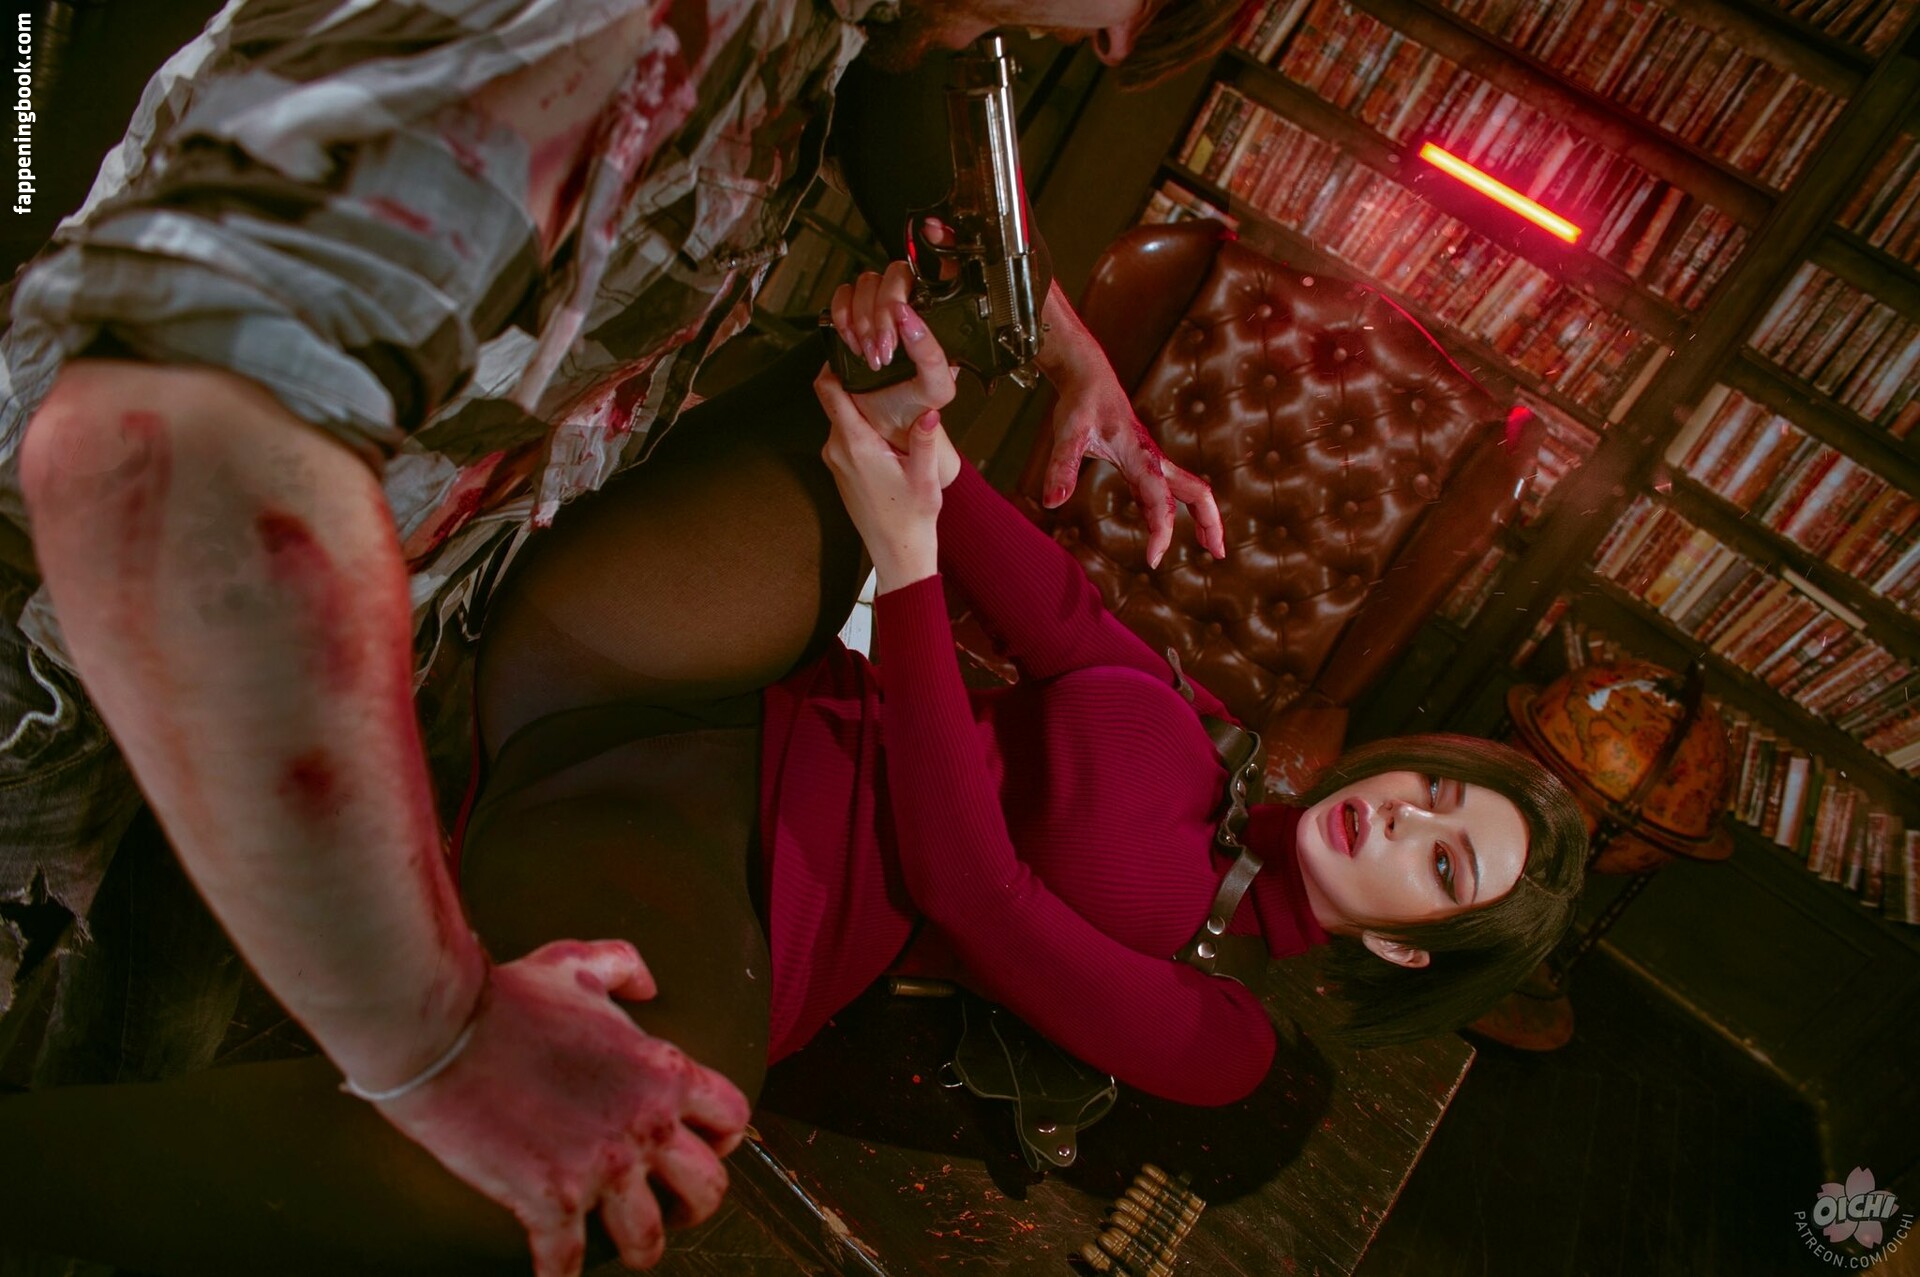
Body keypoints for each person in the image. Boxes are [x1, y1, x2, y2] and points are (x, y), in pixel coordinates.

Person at [0, 270, 1586, 1277]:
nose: (1411, 817)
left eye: (1445, 864)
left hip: (757, 892)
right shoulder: (1197, 725)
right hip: (734, 677)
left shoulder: (1224, 1037)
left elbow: (977, 892)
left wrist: (907, 574)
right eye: (1444, 793)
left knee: (599, 1148)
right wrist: (927, 446)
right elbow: (1048, 602)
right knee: (876, 378)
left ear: (1406, 950)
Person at [0, 0, 1244, 1264]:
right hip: (79, 625)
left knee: (138, 1046)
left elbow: (895, 88)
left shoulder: (836, 28)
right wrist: (435, 1039)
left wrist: (1057, 347)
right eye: (1106, 10)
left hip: (382, 598)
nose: (1064, 43)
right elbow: (179, 458)